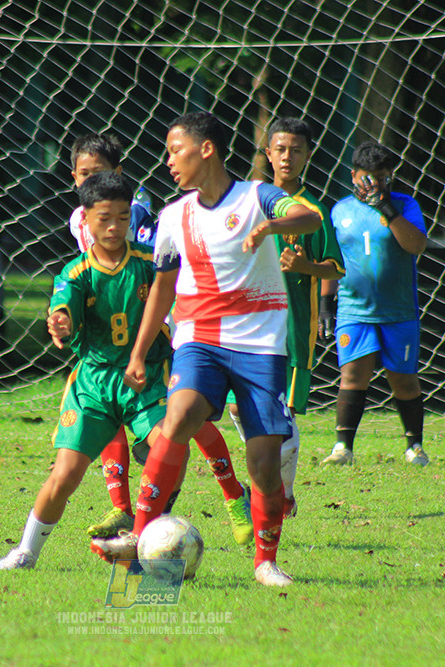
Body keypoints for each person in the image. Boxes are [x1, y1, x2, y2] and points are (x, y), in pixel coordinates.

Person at [91, 112, 322, 587]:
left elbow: (309, 216)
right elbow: (161, 288)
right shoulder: (173, 215)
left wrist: (270, 229)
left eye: (176, 150)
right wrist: (138, 352)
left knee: (263, 461)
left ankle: (265, 562)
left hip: (260, 347)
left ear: (207, 149)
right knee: (178, 417)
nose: (169, 161)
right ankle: (138, 536)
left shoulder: (256, 196)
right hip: (200, 339)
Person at [68, 133, 252, 545]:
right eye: (82, 175)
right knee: (105, 412)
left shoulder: (138, 211)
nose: (88, 182)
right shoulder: (80, 219)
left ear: (117, 173)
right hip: (113, 337)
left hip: (164, 329)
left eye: (96, 173)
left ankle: (233, 496)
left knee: (189, 417)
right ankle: (121, 506)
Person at [0, 172, 170, 570]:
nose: (113, 227)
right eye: (104, 218)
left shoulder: (148, 264)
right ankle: (25, 551)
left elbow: (170, 299)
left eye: (123, 218)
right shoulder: (75, 272)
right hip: (93, 384)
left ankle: (141, 538)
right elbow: (62, 307)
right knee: (65, 475)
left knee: (167, 452)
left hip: (143, 381)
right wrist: (60, 321)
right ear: (85, 219)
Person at [319, 140, 429, 467]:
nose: (374, 185)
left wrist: (387, 210)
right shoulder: (339, 211)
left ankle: (415, 447)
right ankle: (343, 448)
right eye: (368, 178)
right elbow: (332, 260)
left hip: (399, 311)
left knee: (404, 379)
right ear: (354, 175)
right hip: (354, 310)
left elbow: (416, 245)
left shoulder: (405, 205)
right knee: (352, 375)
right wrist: (327, 302)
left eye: (381, 178)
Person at [262, 117, 345, 514]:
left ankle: (284, 494)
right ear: (268, 154)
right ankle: (269, 484)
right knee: (240, 409)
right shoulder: (249, 204)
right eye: (280, 149)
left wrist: (305, 267)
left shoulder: (314, 211)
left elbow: (336, 268)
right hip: (246, 328)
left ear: (308, 155)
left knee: (283, 412)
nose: (287, 157)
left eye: (296, 150)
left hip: (293, 330)